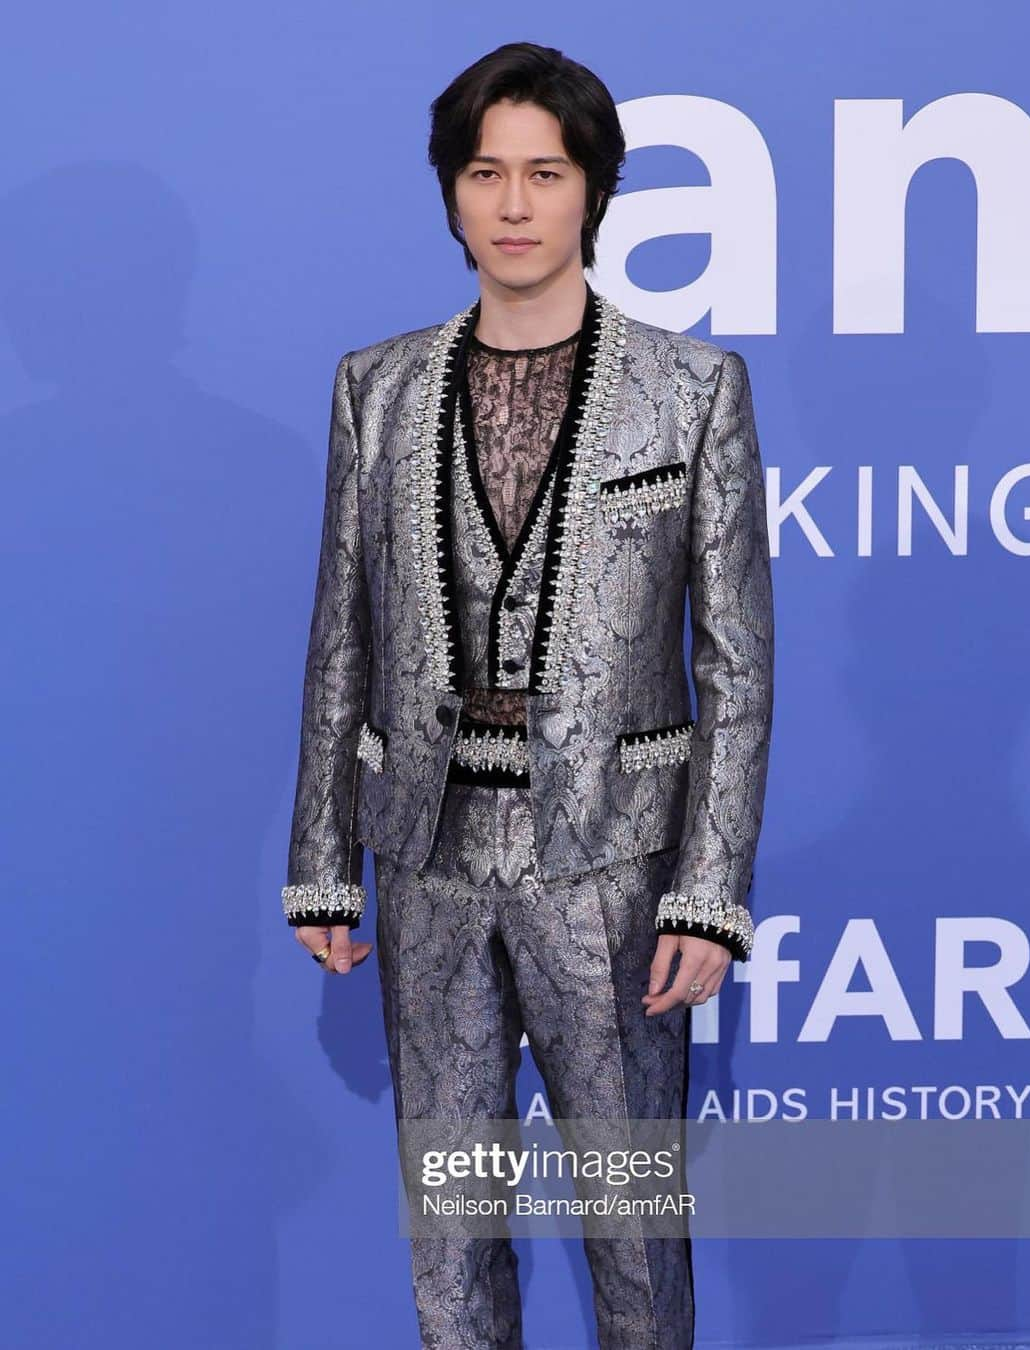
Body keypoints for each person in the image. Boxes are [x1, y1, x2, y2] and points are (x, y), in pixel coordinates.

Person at [280, 40, 774, 1350]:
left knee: (633, 1240)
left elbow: (734, 665)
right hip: (428, 855)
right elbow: (342, 633)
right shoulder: (373, 389)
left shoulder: (693, 388)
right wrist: (323, 862)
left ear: (593, 193)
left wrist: (709, 894)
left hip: (612, 861)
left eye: (544, 173)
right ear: (449, 192)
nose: (513, 203)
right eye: (485, 171)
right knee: (450, 1237)